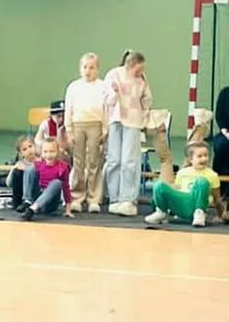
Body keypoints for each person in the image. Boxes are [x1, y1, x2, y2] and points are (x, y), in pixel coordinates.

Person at [104, 50, 152, 216]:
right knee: (114, 159)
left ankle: (128, 199)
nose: (140, 72)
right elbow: (107, 99)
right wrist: (114, 93)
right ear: (129, 65)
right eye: (138, 69)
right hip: (116, 120)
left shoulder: (142, 79)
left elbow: (147, 99)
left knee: (129, 161)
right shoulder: (113, 74)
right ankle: (114, 198)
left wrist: (145, 113)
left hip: (133, 121)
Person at [144, 142, 226, 228]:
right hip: (182, 202)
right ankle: (161, 212)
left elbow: (217, 199)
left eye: (206, 155)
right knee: (159, 185)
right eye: (200, 156)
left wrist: (220, 215)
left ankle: (199, 213)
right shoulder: (182, 172)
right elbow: (177, 190)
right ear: (190, 159)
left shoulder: (212, 175)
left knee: (202, 181)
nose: (204, 159)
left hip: (196, 203)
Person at [64, 52, 108, 213]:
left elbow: (106, 109)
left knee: (94, 162)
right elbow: (68, 109)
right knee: (78, 162)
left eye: (91, 67)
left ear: (97, 69)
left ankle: (94, 198)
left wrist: (105, 128)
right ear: (80, 68)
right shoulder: (73, 87)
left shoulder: (103, 86)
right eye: (85, 67)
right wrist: (69, 130)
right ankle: (77, 196)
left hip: (95, 125)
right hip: (78, 125)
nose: (88, 71)